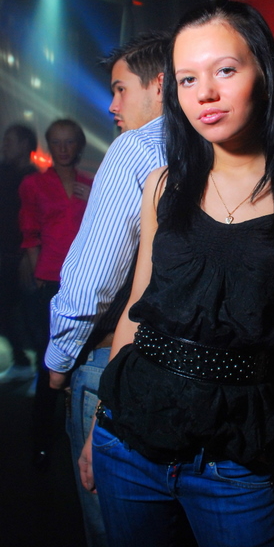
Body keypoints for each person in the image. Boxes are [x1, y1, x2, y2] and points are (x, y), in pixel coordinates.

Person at [79, 0, 274, 547]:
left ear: (263, 75)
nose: (205, 93)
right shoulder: (162, 184)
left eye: (224, 70)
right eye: (187, 79)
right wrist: (99, 422)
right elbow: (137, 310)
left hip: (234, 461)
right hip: (126, 444)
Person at [45, 32, 170, 547]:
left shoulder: (135, 149)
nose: (112, 105)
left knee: (113, 530)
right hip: (189, 370)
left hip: (113, 361)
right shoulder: (214, 144)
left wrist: (59, 358)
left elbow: (92, 279)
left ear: (158, 84)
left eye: (120, 89)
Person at [19, 118, 92, 467]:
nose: (63, 149)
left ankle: (73, 436)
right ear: (49, 146)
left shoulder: (90, 183)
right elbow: (29, 232)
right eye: (57, 142)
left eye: (69, 142)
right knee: (49, 364)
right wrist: (37, 273)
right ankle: (41, 441)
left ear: (78, 145)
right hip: (48, 280)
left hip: (82, 282)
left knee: (79, 362)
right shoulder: (33, 184)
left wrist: (93, 201)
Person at [0, 124, 38, 382]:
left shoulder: (33, 179)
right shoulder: (4, 173)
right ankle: (23, 361)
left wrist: (28, 254)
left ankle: (41, 369)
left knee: (29, 314)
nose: (4, 146)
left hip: (21, 256)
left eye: (9, 141)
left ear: (25, 145)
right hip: (5, 253)